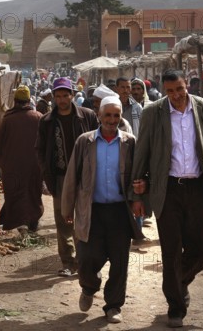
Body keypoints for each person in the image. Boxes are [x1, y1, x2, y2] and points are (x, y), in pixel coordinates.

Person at [131, 69, 203, 328]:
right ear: (164, 90)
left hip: (197, 188)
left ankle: (179, 281)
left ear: (188, 86)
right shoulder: (154, 112)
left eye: (180, 90)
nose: (175, 96)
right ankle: (176, 306)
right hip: (168, 189)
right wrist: (137, 194)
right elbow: (142, 151)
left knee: (201, 249)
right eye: (170, 91)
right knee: (171, 250)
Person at [62, 96, 142, 324]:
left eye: (116, 115)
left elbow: (138, 175)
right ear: (99, 116)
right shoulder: (85, 142)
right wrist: (67, 207)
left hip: (119, 212)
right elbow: (72, 177)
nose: (112, 119)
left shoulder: (130, 142)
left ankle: (113, 305)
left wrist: (139, 198)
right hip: (91, 211)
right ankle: (89, 287)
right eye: (108, 115)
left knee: (120, 261)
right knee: (87, 259)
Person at [36, 77, 98, 277]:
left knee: (84, 219)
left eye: (65, 95)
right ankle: (68, 263)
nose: (62, 99)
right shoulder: (46, 121)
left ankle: (84, 260)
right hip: (60, 177)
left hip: (84, 178)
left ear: (72, 95)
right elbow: (40, 149)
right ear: (53, 97)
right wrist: (46, 174)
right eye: (58, 96)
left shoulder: (87, 116)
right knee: (63, 221)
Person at [0, 85, 43, 232]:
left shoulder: (7, 119)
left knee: (15, 193)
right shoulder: (39, 117)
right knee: (33, 193)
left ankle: (18, 222)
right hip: (34, 166)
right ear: (29, 101)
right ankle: (32, 222)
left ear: (15, 101)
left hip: (12, 167)